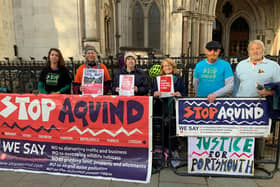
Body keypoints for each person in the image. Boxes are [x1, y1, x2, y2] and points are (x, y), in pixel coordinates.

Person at [233, 40, 280, 165]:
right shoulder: (241, 65)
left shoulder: (273, 66)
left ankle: (256, 160)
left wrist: (269, 93)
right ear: (248, 51)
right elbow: (236, 85)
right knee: (241, 131)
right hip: (241, 104)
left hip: (262, 105)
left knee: (259, 133)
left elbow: (279, 86)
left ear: (263, 50)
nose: (255, 51)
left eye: (258, 48)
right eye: (252, 49)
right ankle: (241, 158)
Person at [151, 58, 187, 168]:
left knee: (173, 131)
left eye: (169, 65)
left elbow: (184, 93)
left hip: (173, 109)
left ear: (173, 67)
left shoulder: (178, 79)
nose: (167, 67)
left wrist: (179, 94)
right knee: (162, 131)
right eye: (165, 66)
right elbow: (152, 92)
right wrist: (155, 93)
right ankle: (162, 153)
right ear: (162, 68)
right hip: (161, 108)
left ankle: (173, 152)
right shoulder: (157, 80)